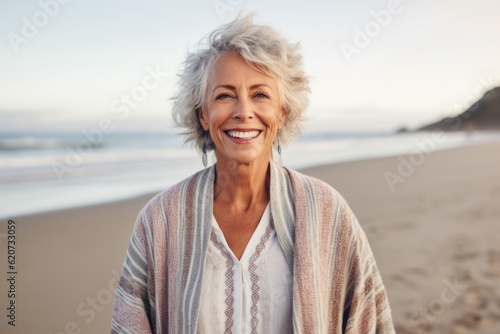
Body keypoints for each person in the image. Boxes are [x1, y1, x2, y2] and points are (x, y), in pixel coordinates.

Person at [111, 13, 395, 334]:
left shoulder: (327, 211)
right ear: (203, 114)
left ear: (282, 111)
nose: (243, 111)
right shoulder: (160, 220)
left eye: (260, 95)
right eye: (224, 95)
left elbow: (369, 322)